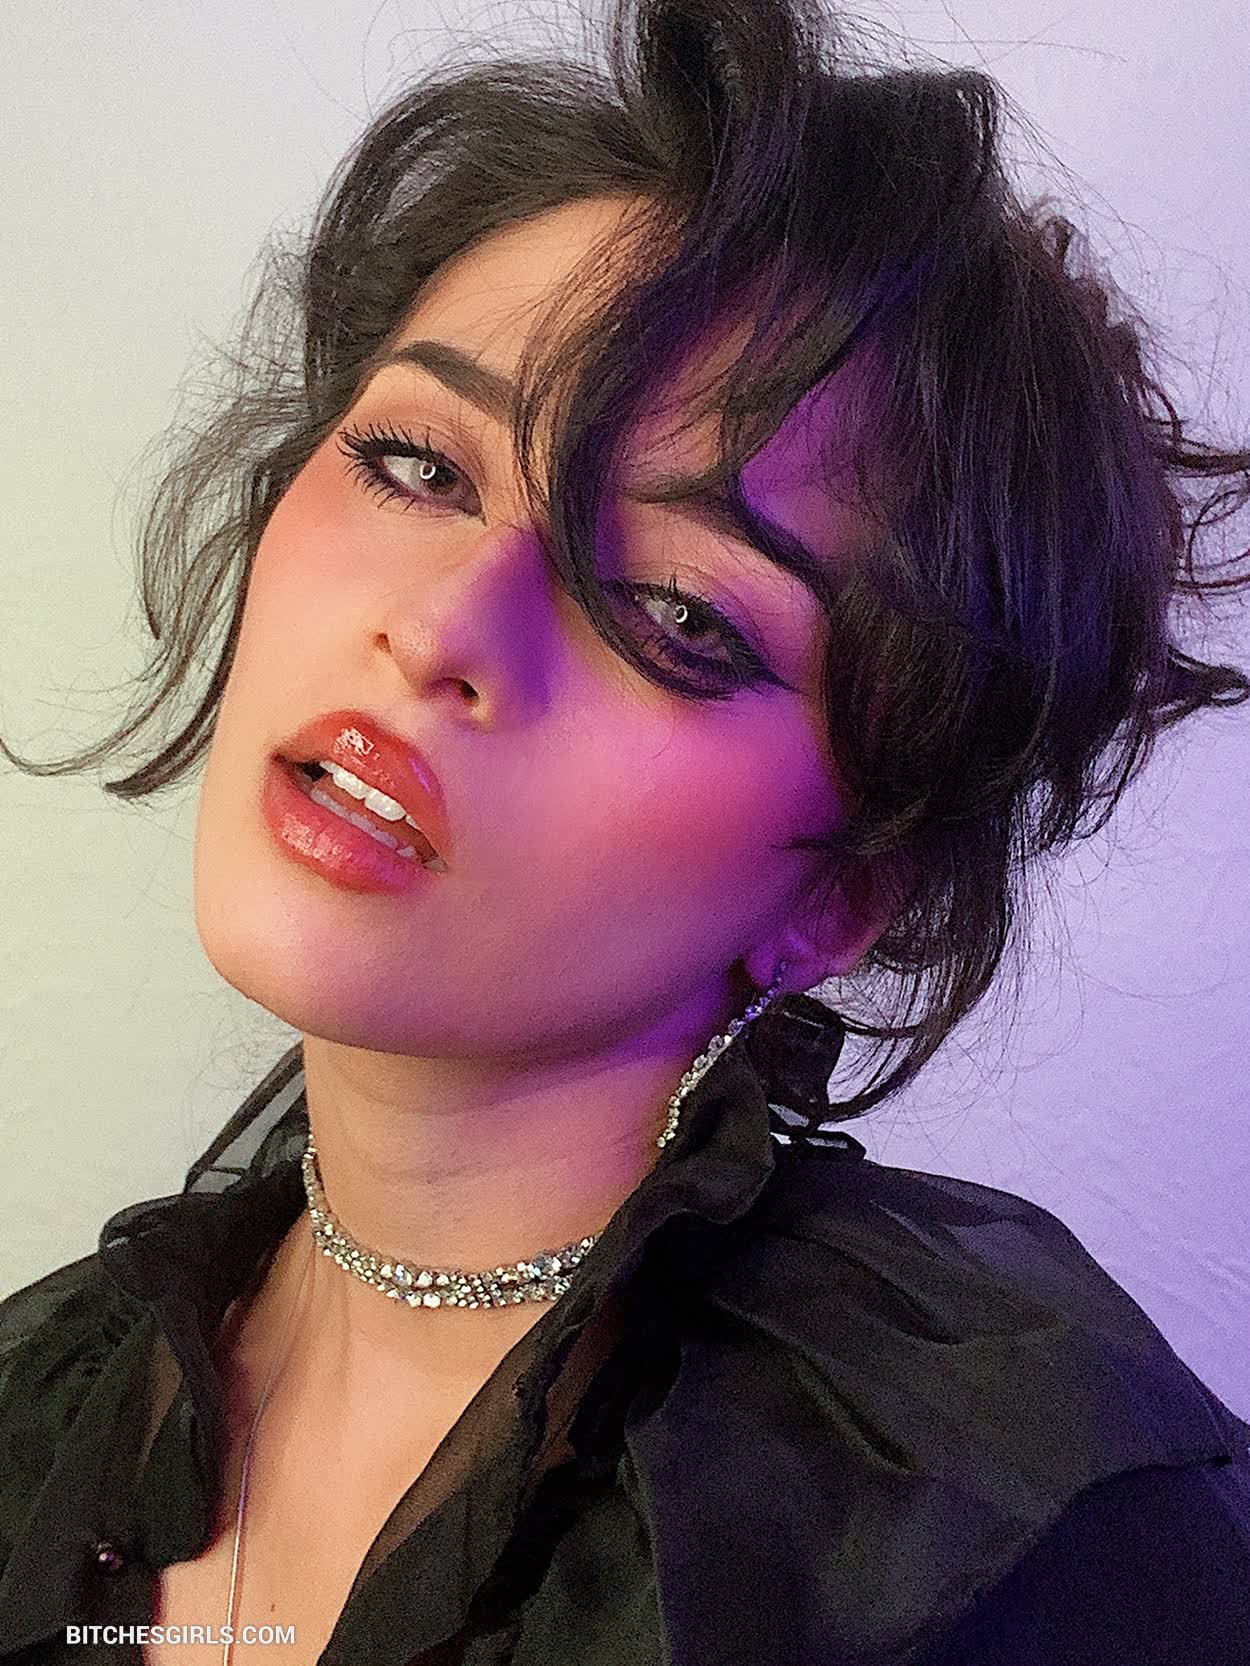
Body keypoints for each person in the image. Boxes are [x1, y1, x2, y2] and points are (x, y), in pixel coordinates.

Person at [2, 0, 1249, 1661]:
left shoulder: (990, 1549)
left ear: (846, 892)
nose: (440, 627)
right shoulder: (37, 1418)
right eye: (415, 464)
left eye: (674, 612)